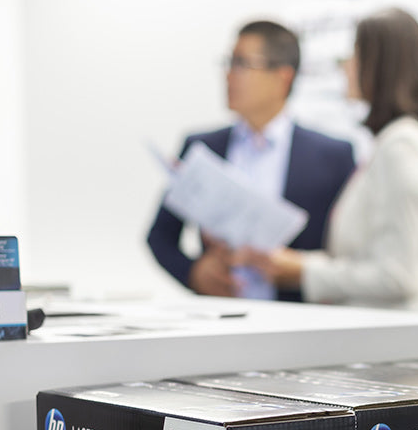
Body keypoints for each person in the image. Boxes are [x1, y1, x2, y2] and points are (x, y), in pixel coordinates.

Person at [242, 8, 418, 308]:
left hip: (389, 340)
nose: (346, 67)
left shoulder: (402, 146)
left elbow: (396, 276)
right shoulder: (390, 144)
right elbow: (393, 262)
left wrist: (303, 271)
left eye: (356, 55)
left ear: (380, 66)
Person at [147, 20, 355, 301]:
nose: (228, 75)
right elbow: (159, 236)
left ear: (283, 77)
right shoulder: (202, 146)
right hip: (220, 322)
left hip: (301, 326)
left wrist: (300, 268)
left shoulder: (333, 156)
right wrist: (194, 272)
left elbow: (348, 256)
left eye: (241, 63)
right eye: (228, 63)